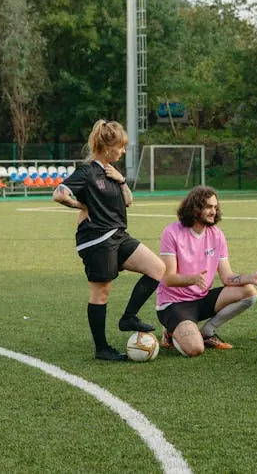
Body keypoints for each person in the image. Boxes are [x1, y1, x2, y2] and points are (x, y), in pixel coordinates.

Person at [52, 120, 166, 361]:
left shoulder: (112, 172)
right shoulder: (86, 171)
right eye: (120, 147)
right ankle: (101, 348)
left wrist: (121, 180)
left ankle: (128, 318)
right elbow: (59, 194)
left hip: (118, 234)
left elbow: (128, 201)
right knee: (101, 292)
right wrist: (80, 204)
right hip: (96, 240)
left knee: (157, 268)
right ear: (106, 148)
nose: (123, 151)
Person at [157, 186, 257, 357]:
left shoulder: (216, 235)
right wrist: (192, 279)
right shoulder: (172, 232)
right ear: (194, 208)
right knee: (194, 349)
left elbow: (227, 277)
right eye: (208, 207)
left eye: (215, 207)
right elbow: (168, 279)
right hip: (174, 303)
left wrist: (251, 277)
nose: (213, 211)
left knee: (249, 291)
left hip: (202, 299)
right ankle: (170, 330)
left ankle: (207, 331)